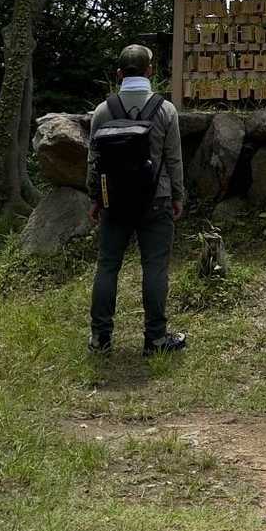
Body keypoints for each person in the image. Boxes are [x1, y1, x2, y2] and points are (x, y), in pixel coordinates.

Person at [87, 42, 187, 356]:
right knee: (155, 267)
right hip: (157, 199)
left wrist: (95, 198)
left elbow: (93, 161)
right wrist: (178, 195)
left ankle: (100, 339)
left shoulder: (103, 110)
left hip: (113, 200)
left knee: (107, 266)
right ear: (150, 71)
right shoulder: (165, 109)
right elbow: (174, 160)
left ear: (119, 73)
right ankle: (155, 340)